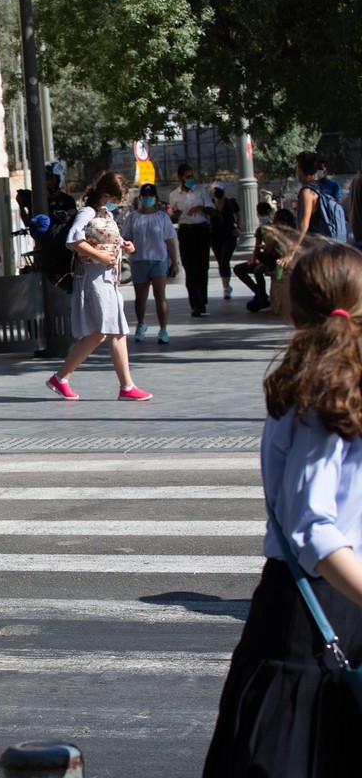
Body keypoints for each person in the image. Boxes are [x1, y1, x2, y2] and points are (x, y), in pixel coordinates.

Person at [203, 243, 362, 776]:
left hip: (308, 605)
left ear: (292, 314)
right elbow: (314, 527)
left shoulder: (319, 389)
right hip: (317, 607)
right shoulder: (323, 398)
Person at [46, 172, 152, 401]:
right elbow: (73, 239)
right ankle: (126, 386)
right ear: (106, 194)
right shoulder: (87, 212)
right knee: (115, 330)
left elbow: (107, 239)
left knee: (98, 334)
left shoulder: (105, 214)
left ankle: (61, 377)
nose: (117, 203)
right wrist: (100, 257)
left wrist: (125, 246)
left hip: (106, 278)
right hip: (94, 277)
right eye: (116, 198)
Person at [120, 183, 178, 344]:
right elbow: (126, 239)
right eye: (145, 197)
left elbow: (169, 241)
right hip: (139, 260)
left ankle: (163, 329)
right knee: (140, 298)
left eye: (150, 197)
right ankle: (140, 324)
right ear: (140, 198)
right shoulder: (132, 217)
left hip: (159, 260)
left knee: (160, 293)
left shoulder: (162, 217)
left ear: (156, 198)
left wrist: (174, 262)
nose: (147, 200)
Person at [168, 163, 217, 316]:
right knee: (190, 268)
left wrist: (200, 208)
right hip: (186, 231)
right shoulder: (174, 195)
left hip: (201, 230)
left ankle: (202, 301)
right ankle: (194, 304)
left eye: (192, 176)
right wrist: (175, 215)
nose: (191, 179)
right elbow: (173, 216)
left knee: (203, 267)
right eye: (187, 177)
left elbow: (212, 210)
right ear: (180, 177)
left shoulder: (201, 191)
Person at [235, 223, 298, 313]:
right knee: (238, 269)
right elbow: (257, 248)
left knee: (258, 270)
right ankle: (261, 295)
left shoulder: (278, 233)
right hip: (265, 260)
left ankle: (261, 297)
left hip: (275, 261)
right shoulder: (260, 231)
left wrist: (264, 252)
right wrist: (254, 259)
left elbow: (271, 250)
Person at [295, 151, 346, 248]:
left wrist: (291, 252)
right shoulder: (318, 187)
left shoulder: (307, 192)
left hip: (319, 248)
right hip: (330, 243)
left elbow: (303, 225)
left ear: (300, 169)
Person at [210, 181, 240, 300]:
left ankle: (226, 288)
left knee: (224, 260)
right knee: (220, 261)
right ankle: (225, 286)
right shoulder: (210, 204)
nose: (218, 193)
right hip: (215, 236)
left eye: (219, 190)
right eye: (216, 191)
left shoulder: (231, 203)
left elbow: (238, 215)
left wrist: (238, 227)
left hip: (229, 235)